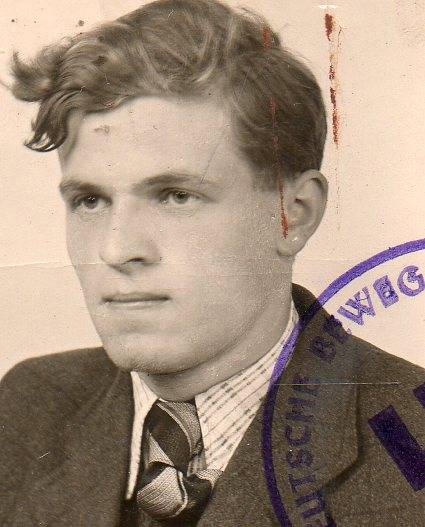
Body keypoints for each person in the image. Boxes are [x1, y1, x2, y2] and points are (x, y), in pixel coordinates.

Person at [1, 1, 424, 525]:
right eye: (90, 201)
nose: (116, 249)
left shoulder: (411, 442)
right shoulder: (27, 406)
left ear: (293, 214)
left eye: (176, 195)